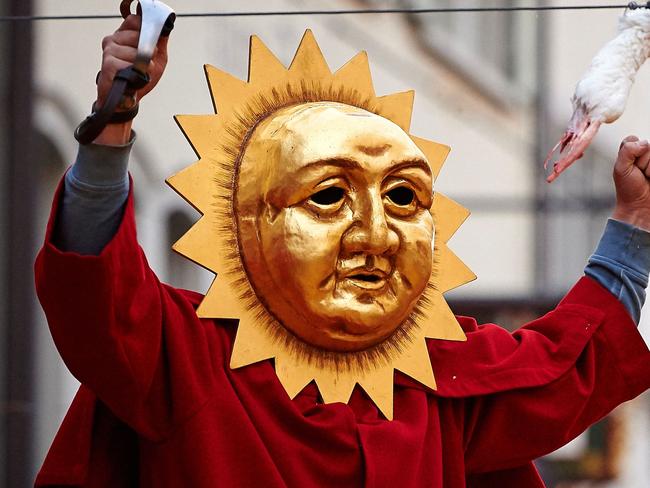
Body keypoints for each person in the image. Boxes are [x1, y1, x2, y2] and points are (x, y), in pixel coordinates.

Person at [35, 15, 650, 488]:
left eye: (405, 197)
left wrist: (634, 222)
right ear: (248, 224)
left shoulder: (437, 376)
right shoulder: (184, 357)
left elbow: (569, 366)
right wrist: (112, 123)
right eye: (329, 195)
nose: (376, 235)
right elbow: (97, 297)